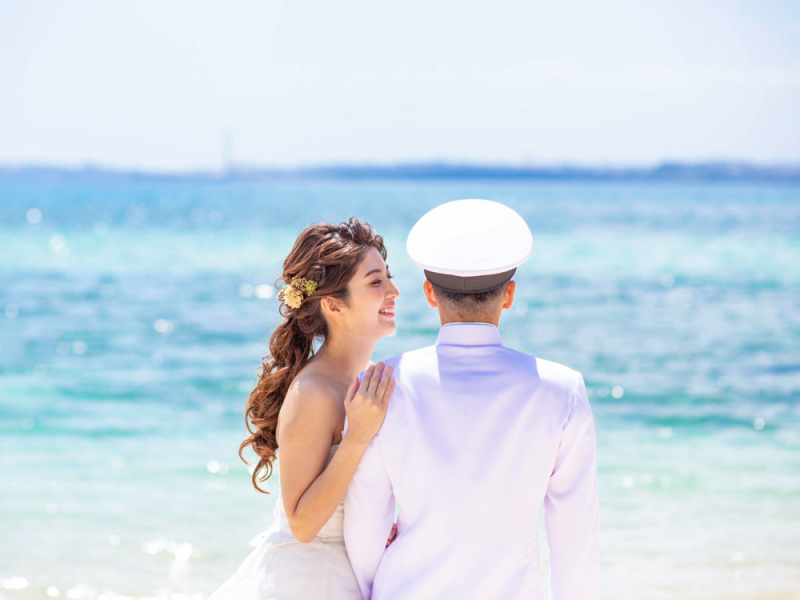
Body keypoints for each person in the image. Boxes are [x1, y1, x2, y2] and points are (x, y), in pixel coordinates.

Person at [343, 199, 600, 600]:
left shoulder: (380, 384)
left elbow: (365, 520)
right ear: (509, 294)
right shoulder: (563, 389)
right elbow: (575, 534)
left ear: (429, 293)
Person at [209, 217, 400, 599]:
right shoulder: (312, 392)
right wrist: (356, 437)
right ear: (333, 305)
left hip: (353, 576)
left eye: (388, 277)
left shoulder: (365, 379)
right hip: (308, 582)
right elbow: (302, 523)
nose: (393, 291)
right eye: (375, 282)